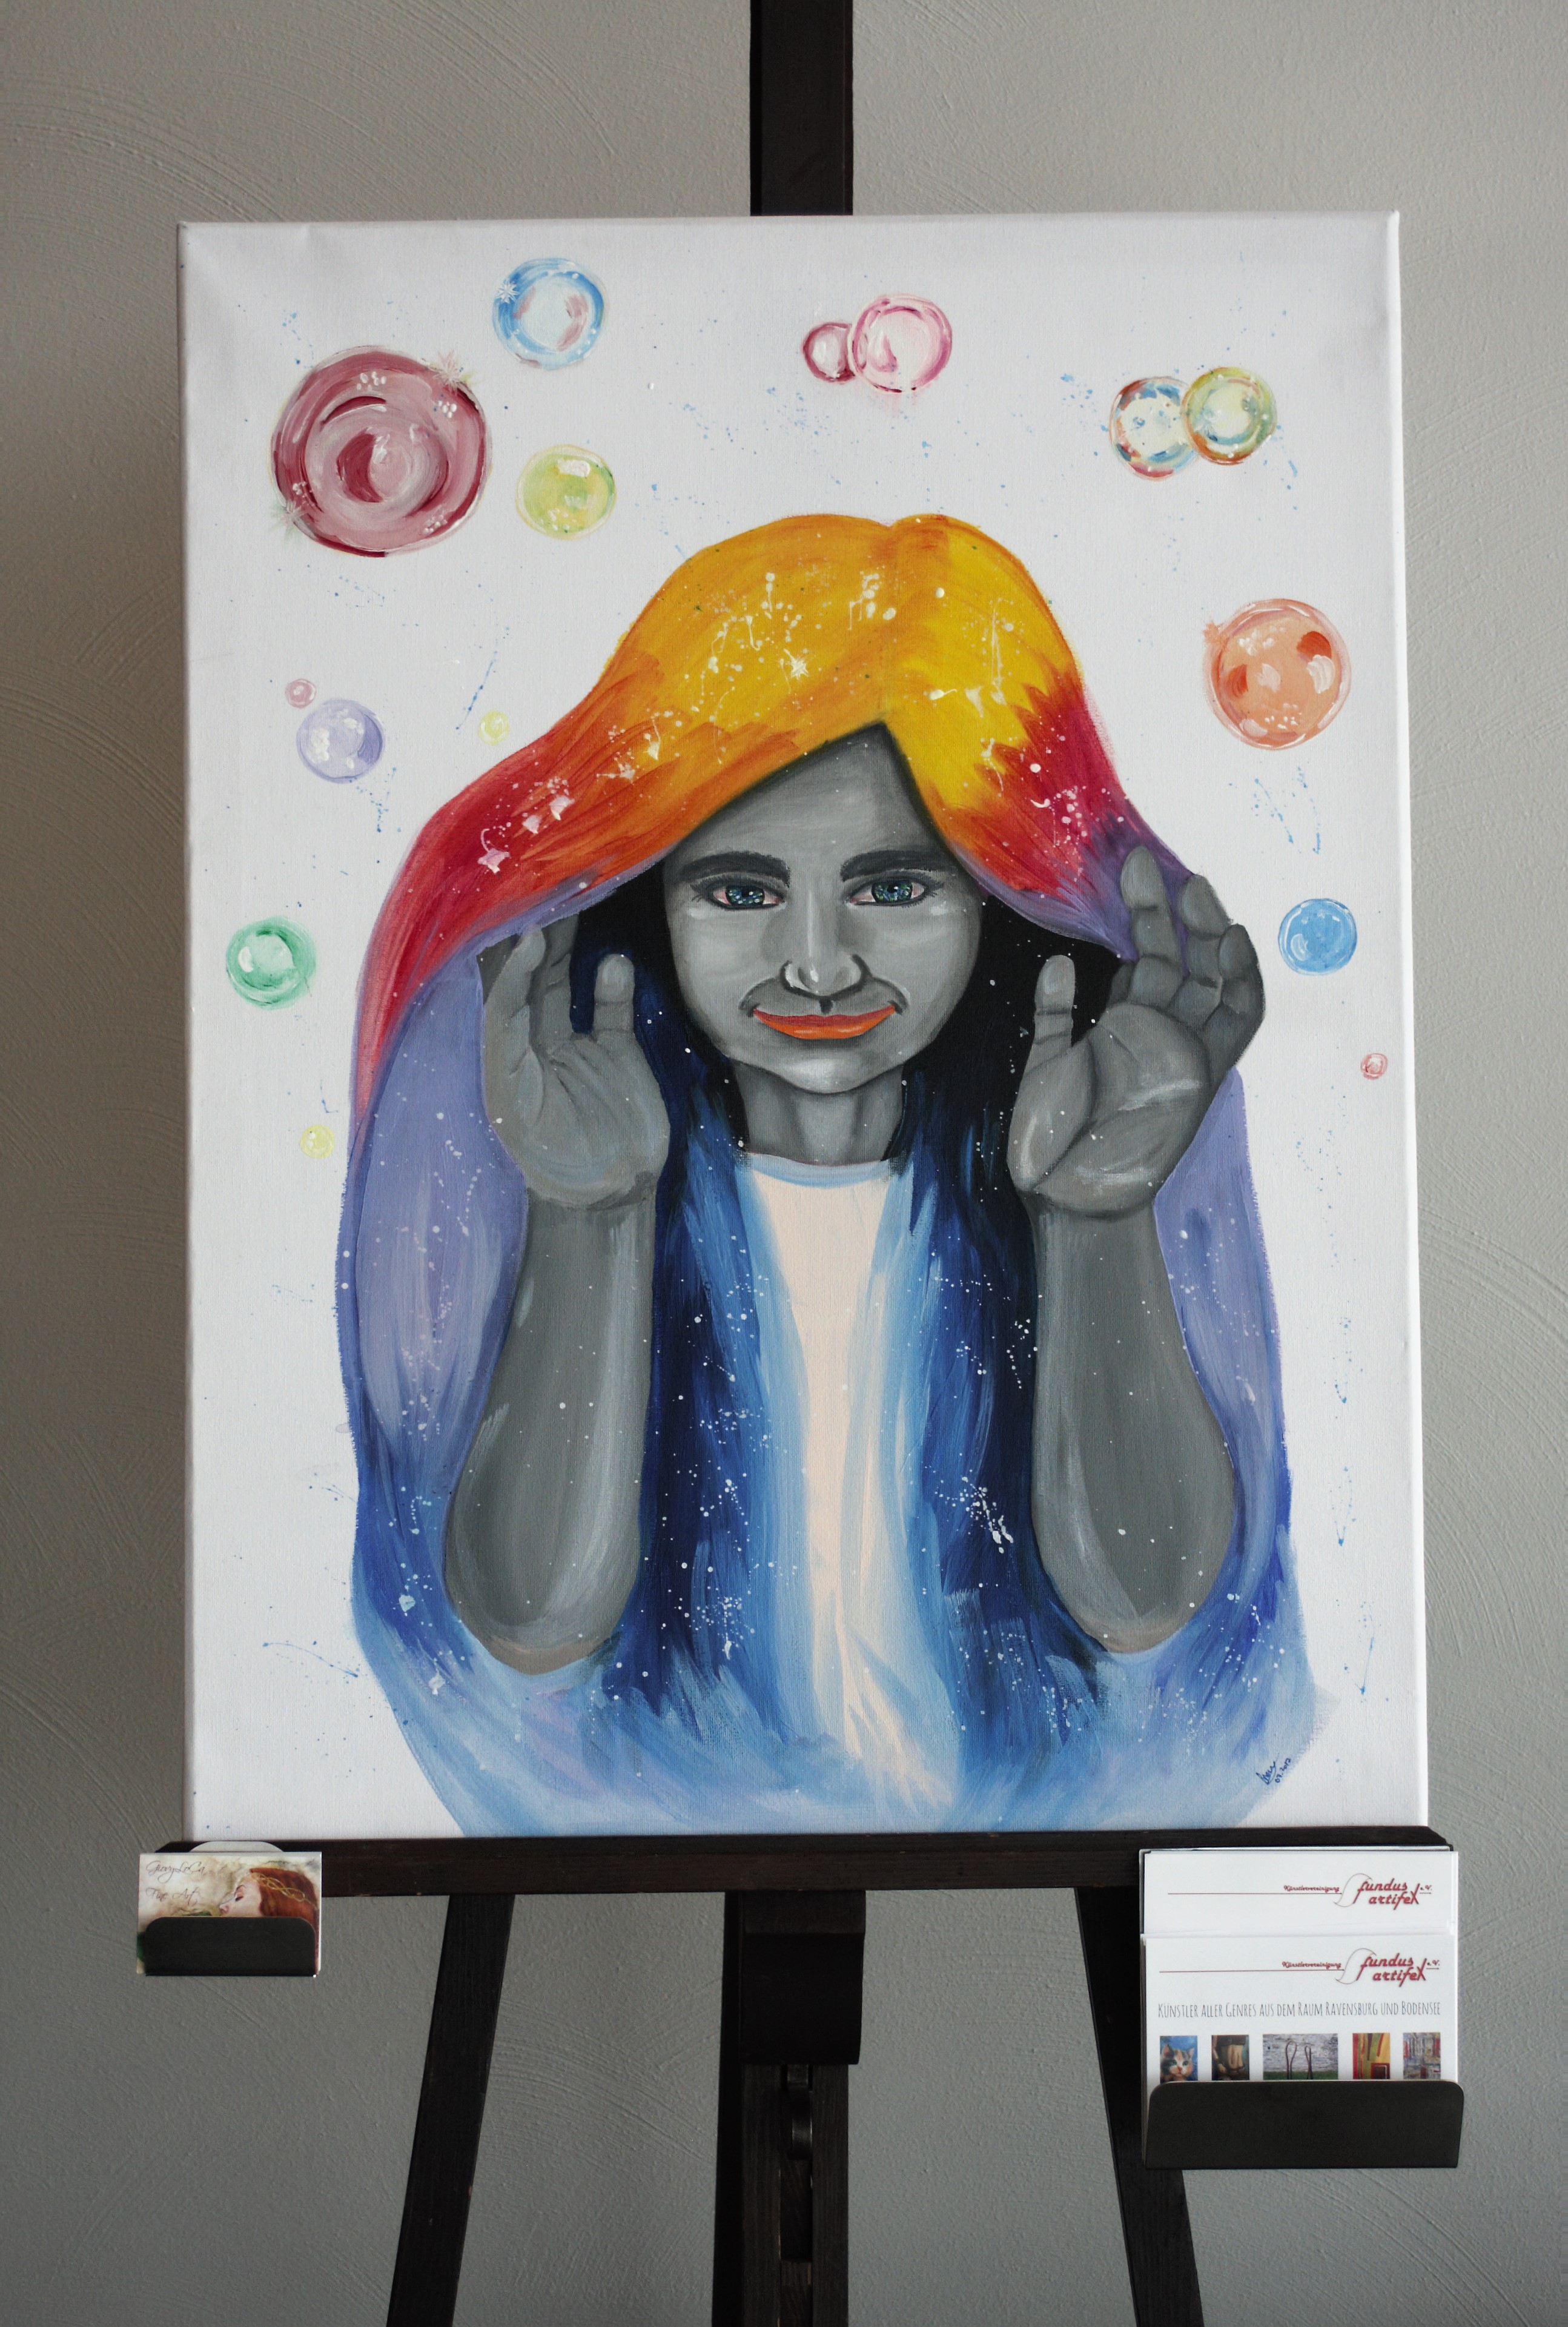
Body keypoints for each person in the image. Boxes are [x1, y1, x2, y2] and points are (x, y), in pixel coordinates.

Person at [343, 512, 1312, 1834]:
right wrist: (593, 1219)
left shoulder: (1040, 1162)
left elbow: (1145, 1604)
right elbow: (530, 1622)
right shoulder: (611, 1169)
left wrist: (1095, 1223)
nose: (815, 962)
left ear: (996, 899)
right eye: (739, 893)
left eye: (893, 890)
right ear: (647, 903)